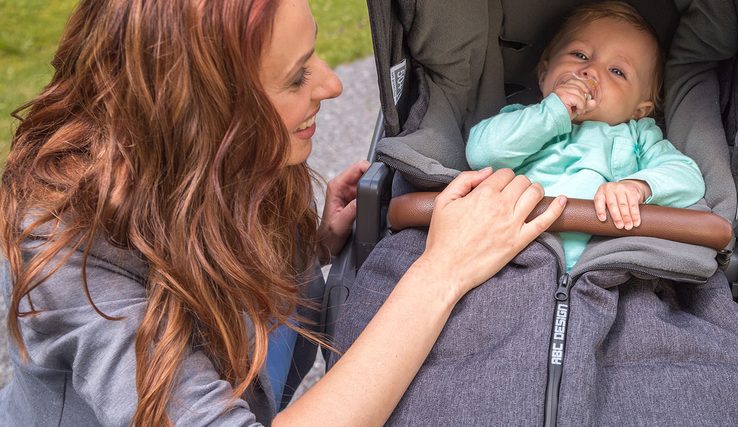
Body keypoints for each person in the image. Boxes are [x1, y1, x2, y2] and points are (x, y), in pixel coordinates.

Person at [0, 0, 566, 425]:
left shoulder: (235, 159)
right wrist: (443, 270)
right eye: (296, 77)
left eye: (313, 51)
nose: (333, 84)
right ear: (198, 117)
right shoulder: (68, 260)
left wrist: (311, 246)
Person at [465, 1, 705, 270]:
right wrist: (551, 113)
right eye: (579, 55)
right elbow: (482, 154)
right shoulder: (526, 120)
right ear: (544, 73)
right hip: (514, 254)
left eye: (617, 71)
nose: (590, 71)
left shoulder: (638, 136)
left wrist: (638, 187)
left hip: (600, 266)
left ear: (639, 110)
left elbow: (687, 176)